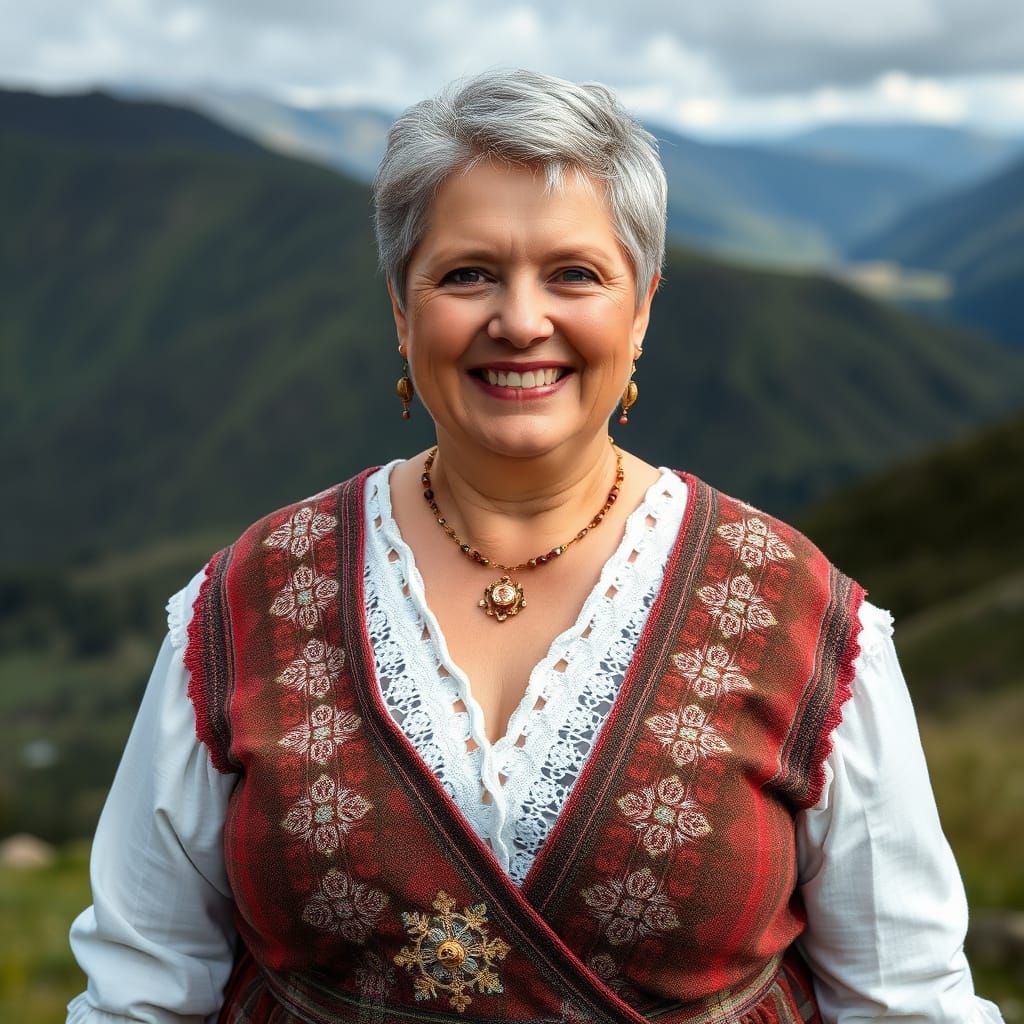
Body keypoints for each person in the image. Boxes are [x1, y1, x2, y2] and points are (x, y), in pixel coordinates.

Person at [68, 69, 1004, 1023]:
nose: (520, 321)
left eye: (574, 275)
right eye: (467, 273)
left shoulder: (802, 619)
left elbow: (902, 1000)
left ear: (641, 309)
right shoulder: (246, 603)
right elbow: (142, 991)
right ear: (401, 309)